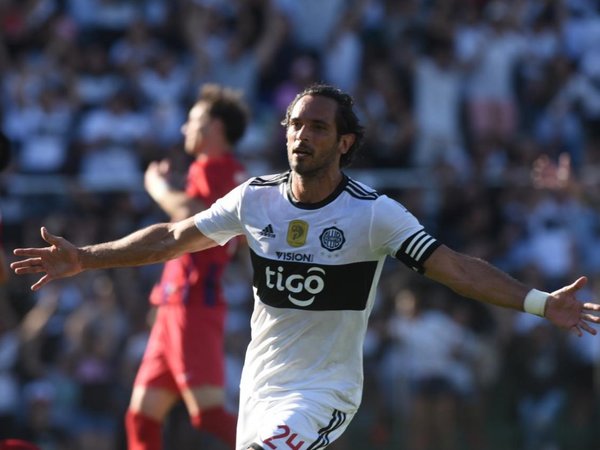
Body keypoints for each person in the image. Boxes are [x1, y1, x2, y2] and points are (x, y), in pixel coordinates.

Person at [11, 84, 600, 450]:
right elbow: (171, 237)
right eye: (295, 124)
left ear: (345, 143)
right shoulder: (255, 199)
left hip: (325, 391)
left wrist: (540, 302)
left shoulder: (375, 214)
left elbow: (454, 268)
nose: (302, 135)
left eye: (318, 126)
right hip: (261, 386)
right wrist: (86, 257)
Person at [107, 84, 249, 449]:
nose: (186, 129)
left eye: (193, 120)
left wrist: (155, 186)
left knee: (209, 414)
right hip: (176, 305)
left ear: (214, 126)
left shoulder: (218, 168)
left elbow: (187, 214)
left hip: (193, 303)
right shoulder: (221, 173)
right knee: (141, 416)